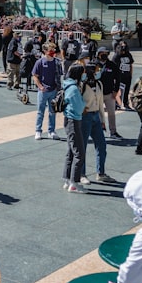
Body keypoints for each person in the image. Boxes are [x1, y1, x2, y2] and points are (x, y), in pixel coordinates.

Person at [80, 59, 109, 183]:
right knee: (83, 146)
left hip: (96, 116)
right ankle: (81, 174)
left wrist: (103, 120)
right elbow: (77, 100)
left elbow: (101, 102)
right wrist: (82, 109)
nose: (99, 71)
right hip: (85, 117)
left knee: (101, 145)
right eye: (97, 70)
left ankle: (100, 173)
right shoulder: (81, 85)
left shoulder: (99, 84)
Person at [61, 63, 87, 193]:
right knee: (79, 153)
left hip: (69, 120)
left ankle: (67, 179)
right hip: (74, 120)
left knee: (71, 151)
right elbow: (79, 107)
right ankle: (74, 183)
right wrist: (85, 103)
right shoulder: (74, 89)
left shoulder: (68, 85)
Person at [32, 43, 62, 140]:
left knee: (52, 112)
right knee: (40, 112)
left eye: (53, 48)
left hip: (54, 90)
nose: (53, 51)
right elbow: (35, 76)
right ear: (45, 51)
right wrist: (40, 87)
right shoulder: (40, 62)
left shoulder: (57, 62)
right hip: (43, 91)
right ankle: (38, 131)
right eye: (51, 49)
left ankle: (51, 131)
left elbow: (60, 75)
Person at [96, 46, 122, 138]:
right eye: (102, 53)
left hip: (109, 93)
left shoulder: (112, 65)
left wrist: (116, 91)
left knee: (111, 113)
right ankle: (98, 131)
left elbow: (118, 78)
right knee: (98, 113)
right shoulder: (94, 64)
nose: (104, 55)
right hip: (97, 94)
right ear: (98, 54)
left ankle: (113, 131)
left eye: (106, 53)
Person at [111, 41, 135, 106]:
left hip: (127, 75)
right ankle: (117, 103)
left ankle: (125, 103)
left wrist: (131, 75)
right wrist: (114, 77)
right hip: (119, 75)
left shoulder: (129, 55)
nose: (123, 51)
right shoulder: (116, 56)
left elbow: (131, 65)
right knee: (119, 90)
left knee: (127, 90)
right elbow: (113, 67)